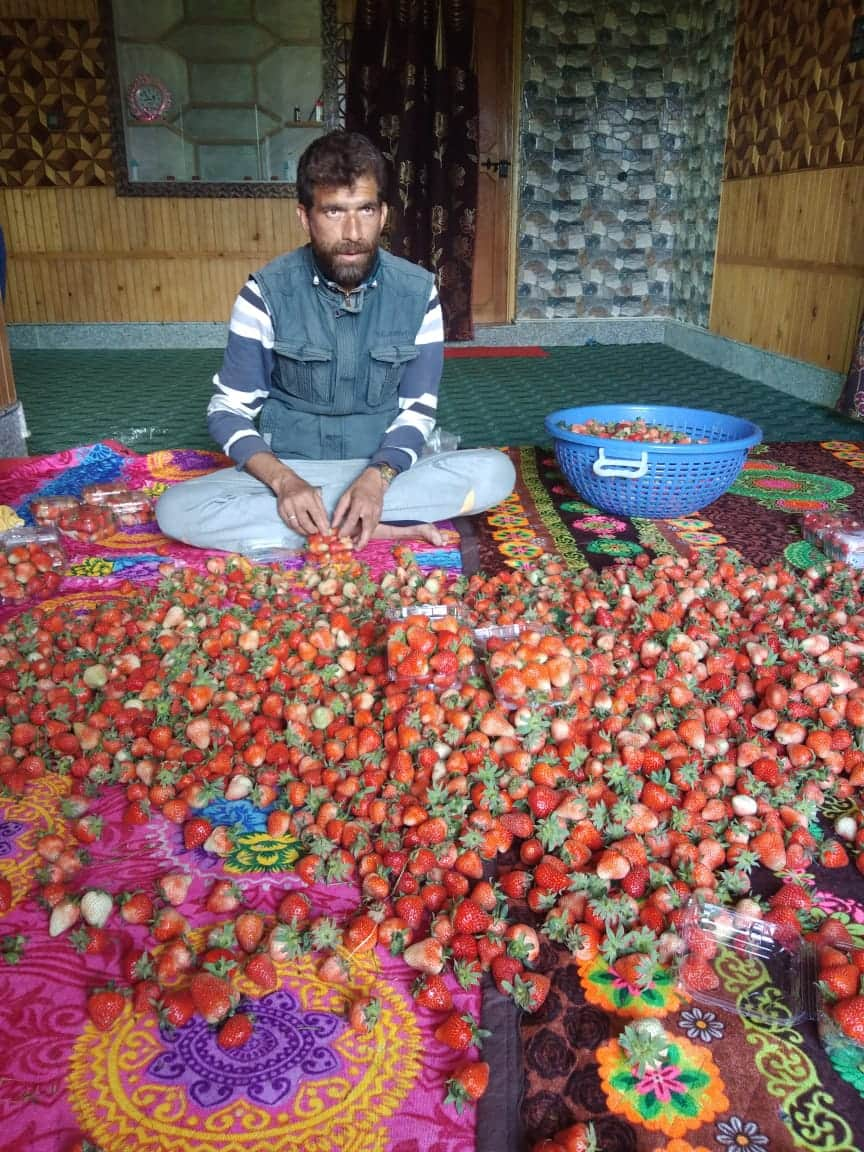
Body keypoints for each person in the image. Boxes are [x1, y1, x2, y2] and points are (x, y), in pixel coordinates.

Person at [155, 130, 515, 554]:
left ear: (383, 215)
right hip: (289, 471)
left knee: (495, 472)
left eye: (365, 209)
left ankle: (333, 521)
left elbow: (417, 410)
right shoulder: (265, 294)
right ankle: (362, 523)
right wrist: (285, 482)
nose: (352, 232)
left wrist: (376, 481)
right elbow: (227, 411)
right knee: (175, 509)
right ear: (304, 217)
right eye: (333, 212)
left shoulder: (418, 293)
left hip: (382, 472)